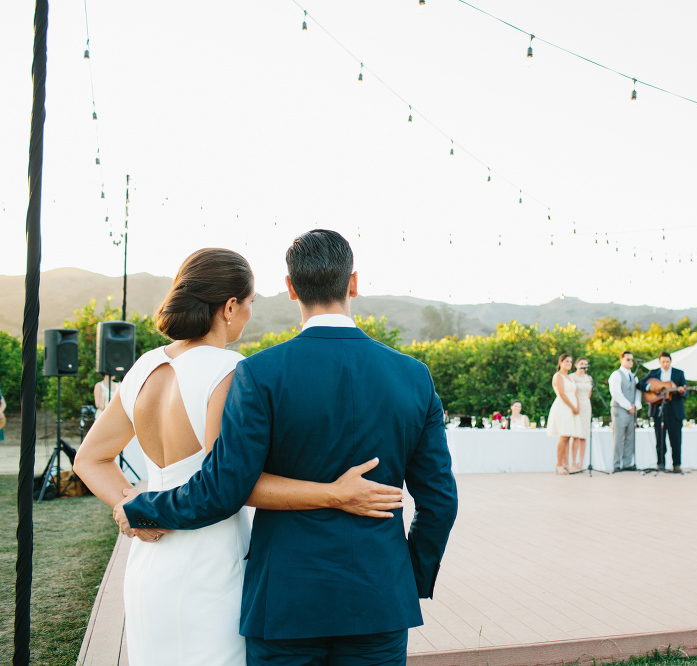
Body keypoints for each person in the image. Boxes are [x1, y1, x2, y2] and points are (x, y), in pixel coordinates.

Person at [108, 233, 459, 666]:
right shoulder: (413, 376)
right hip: (380, 597)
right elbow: (440, 501)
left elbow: (224, 487)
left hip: (284, 602)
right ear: (353, 283)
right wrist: (408, 576)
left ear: (291, 288)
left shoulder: (259, 373)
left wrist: (143, 508)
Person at [640, 351, 687, 473]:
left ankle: (676, 464)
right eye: (663, 362)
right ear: (659, 362)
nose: (665, 364)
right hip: (659, 410)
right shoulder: (653, 373)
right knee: (659, 439)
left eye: (667, 361)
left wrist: (682, 391)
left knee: (675, 439)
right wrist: (650, 387)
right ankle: (660, 463)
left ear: (670, 361)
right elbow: (640, 384)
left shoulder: (679, 373)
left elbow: (685, 390)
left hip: (674, 410)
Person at [608, 350, 642, 472]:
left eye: (632, 360)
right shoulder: (616, 375)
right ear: (621, 360)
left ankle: (627, 463)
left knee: (630, 437)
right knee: (618, 437)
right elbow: (616, 392)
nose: (631, 362)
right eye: (628, 359)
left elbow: (638, 392)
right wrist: (628, 406)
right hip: (620, 409)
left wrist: (636, 405)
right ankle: (616, 464)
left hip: (632, 410)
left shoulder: (634, 376)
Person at [546, 353, 579, 474]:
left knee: (568, 436)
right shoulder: (558, 376)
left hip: (572, 408)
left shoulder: (570, 377)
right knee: (564, 435)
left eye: (571, 362)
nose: (569, 364)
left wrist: (577, 407)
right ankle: (559, 464)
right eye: (567, 361)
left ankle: (566, 463)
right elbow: (562, 394)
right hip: (563, 407)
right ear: (560, 362)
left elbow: (574, 392)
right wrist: (572, 407)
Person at [570, 357, 593, 473]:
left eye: (586, 364)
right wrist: (576, 406)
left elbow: (589, 393)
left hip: (586, 406)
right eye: (582, 363)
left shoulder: (589, 378)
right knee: (576, 435)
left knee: (584, 435)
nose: (584, 366)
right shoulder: (572, 377)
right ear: (576, 365)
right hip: (575, 406)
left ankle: (581, 463)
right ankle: (573, 462)